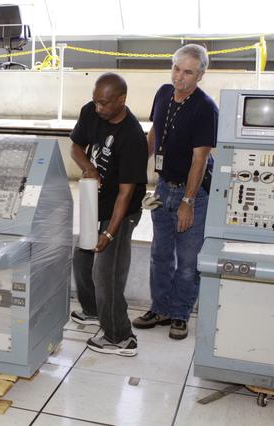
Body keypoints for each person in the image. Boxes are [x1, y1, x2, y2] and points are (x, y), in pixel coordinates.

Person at [132, 44, 218, 340]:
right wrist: (137, 168)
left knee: (188, 261)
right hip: (163, 187)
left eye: (188, 72)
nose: (179, 77)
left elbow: (200, 160)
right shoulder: (163, 93)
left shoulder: (205, 109)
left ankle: (180, 314)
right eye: (176, 69)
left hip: (193, 194)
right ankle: (160, 309)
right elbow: (155, 132)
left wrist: (188, 203)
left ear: (201, 75)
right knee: (160, 254)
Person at [70, 73, 148, 357]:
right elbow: (75, 147)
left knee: (107, 274)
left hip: (121, 211)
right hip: (97, 200)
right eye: (96, 101)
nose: (98, 108)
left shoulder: (132, 137)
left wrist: (109, 233)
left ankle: (120, 337)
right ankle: (93, 311)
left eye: (104, 103)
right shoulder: (91, 111)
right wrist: (89, 168)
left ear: (121, 100)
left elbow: (125, 195)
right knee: (82, 258)